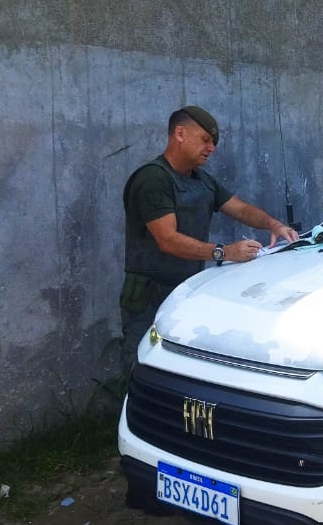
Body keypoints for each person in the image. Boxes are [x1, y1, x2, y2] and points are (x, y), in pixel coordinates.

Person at [120, 105, 298, 369]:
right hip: (149, 295)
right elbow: (167, 239)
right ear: (180, 134)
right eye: (205, 140)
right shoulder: (153, 179)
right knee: (146, 367)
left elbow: (238, 207)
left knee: (184, 369)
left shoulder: (202, 180)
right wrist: (225, 252)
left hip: (186, 288)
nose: (211, 148)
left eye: (213, 142)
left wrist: (273, 224)